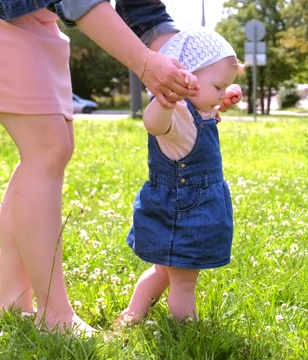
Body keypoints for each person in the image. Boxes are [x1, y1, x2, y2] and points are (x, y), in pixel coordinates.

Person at [0, 0, 198, 335]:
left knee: (53, 150)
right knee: (47, 150)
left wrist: (196, 76)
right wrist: (145, 63)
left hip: (38, 21)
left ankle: (10, 296)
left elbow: (144, 10)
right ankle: (54, 316)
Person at [115, 27, 243, 324]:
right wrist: (164, 100)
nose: (221, 94)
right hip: (184, 215)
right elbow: (154, 124)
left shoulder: (198, 109)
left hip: (180, 211)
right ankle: (187, 331)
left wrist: (222, 97)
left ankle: (133, 315)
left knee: (163, 272)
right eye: (218, 86)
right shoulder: (174, 114)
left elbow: (206, 108)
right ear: (186, 79)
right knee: (183, 283)